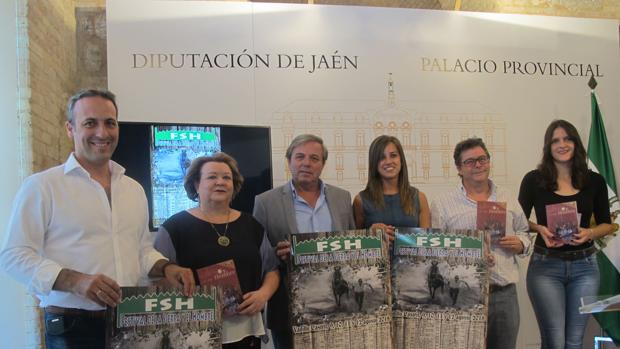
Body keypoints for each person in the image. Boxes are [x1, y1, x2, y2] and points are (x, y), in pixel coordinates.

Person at [0, 89, 194, 349]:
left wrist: (167, 268)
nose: (102, 133)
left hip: (131, 321)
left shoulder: (134, 189)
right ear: (70, 129)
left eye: (110, 123)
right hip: (73, 326)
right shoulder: (42, 186)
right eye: (90, 123)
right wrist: (76, 281)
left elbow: (141, 250)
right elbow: (14, 255)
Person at [154, 153, 280, 348]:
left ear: (234, 185)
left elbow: (271, 270)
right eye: (212, 177)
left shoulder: (251, 224)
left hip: (246, 335)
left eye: (226, 177)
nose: (220, 182)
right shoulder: (174, 227)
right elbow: (157, 278)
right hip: (196, 335)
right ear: (196, 184)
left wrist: (263, 295)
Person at [253, 134, 355, 349]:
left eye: (314, 158)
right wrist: (276, 253)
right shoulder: (265, 202)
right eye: (300, 157)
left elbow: (352, 243)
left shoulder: (342, 198)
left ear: (323, 164)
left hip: (336, 307)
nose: (306, 163)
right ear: (289, 161)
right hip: (289, 307)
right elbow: (257, 256)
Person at [518, 119, 613, 349]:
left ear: (576, 143)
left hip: (585, 268)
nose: (562, 144)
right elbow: (517, 220)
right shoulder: (534, 180)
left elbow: (607, 225)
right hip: (545, 268)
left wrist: (590, 232)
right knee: (555, 341)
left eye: (567, 138)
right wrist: (539, 228)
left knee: (574, 342)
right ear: (548, 147)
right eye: (555, 140)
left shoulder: (595, 181)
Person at [431, 137, 531, 349]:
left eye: (482, 159)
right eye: (470, 161)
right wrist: (468, 257)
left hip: (503, 294)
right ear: (459, 168)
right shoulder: (443, 204)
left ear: (488, 161)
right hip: (462, 296)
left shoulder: (508, 197)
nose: (478, 165)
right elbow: (435, 251)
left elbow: (525, 231)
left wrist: (520, 244)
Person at [353, 135, 431, 238]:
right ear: (374, 164)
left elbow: (427, 243)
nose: (388, 161)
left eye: (393, 155)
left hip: (411, 255)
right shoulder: (361, 200)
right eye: (382, 158)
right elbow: (355, 243)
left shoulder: (420, 198)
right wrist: (370, 234)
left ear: (401, 160)